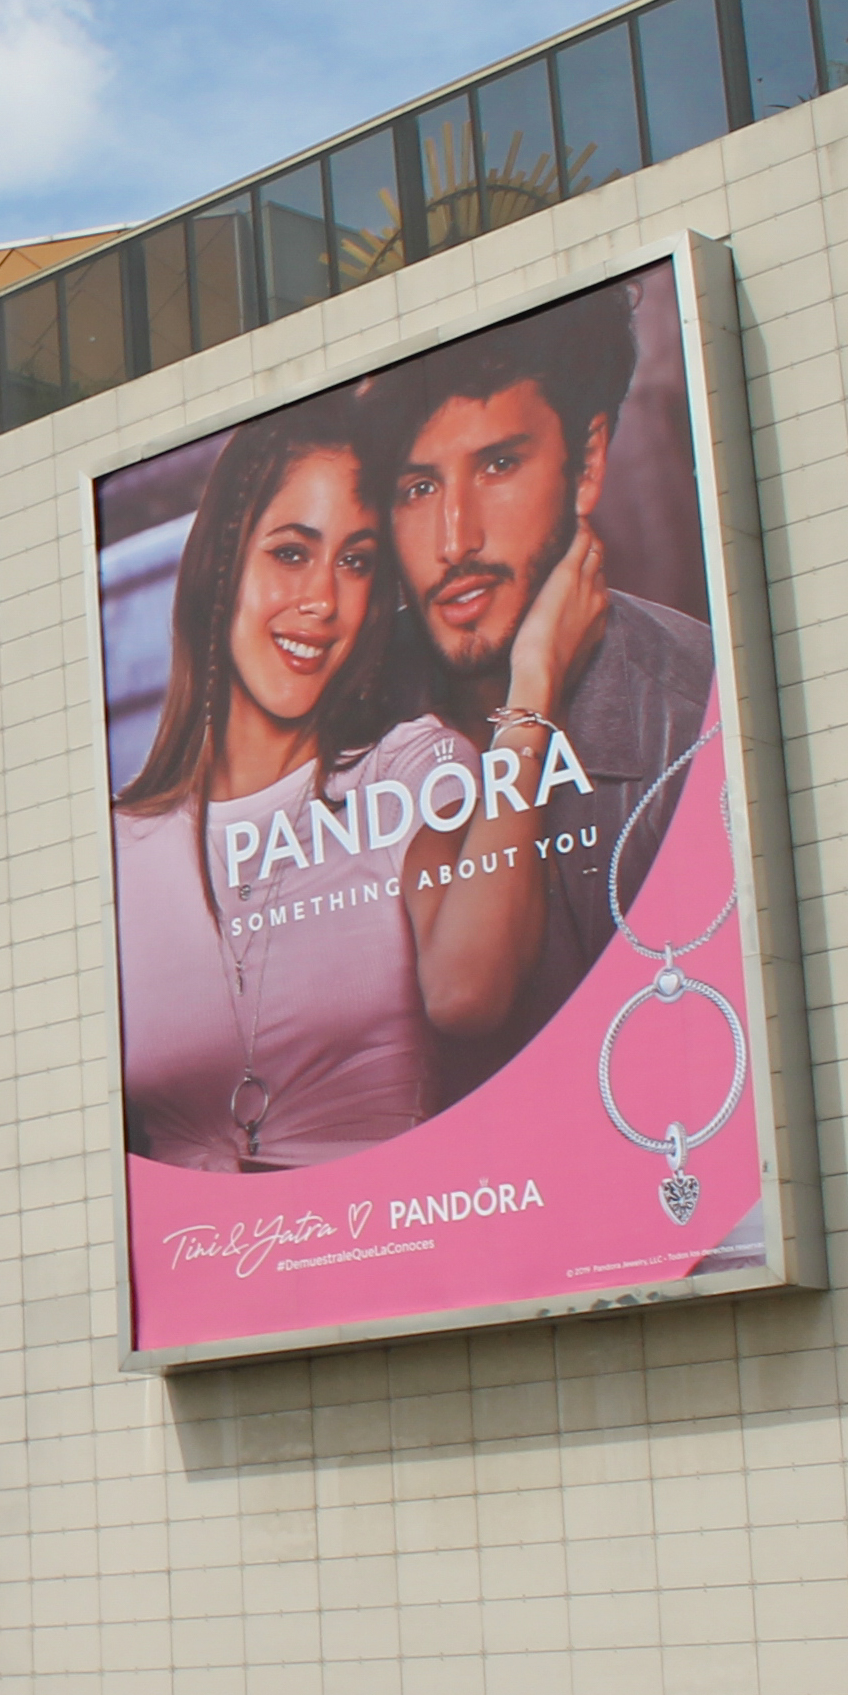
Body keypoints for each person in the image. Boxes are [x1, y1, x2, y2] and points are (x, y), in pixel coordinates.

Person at [112, 398, 552, 1169]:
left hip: (389, 1255)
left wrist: (531, 697)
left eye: (355, 561)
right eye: (291, 552)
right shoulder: (110, 848)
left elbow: (469, 991)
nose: (322, 600)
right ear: (222, 569)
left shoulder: (408, 772)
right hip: (200, 1274)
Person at [368, 278, 718, 1094]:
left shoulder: (690, 709)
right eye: (417, 488)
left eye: (497, 464)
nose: (455, 538)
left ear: (587, 462)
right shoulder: (341, 732)